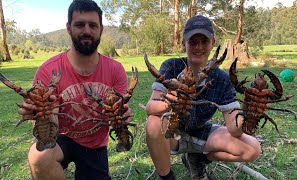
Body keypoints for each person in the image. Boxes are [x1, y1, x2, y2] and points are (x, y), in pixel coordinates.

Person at [18, 0, 132, 179]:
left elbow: (119, 114)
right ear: (69, 28)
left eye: (93, 25)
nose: (87, 31)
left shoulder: (116, 70)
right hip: (61, 139)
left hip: (95, 144)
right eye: (80, 24)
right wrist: (43, 115)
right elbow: (47, 120)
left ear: (101, 29)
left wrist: (122, 115)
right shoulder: (48, 70)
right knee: (39, 156)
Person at [145, 15, 261, 180]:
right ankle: (166, 176)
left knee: (252, 148)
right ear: (184, 43)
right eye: (193, 42)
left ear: (213, 43)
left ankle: (199, 159)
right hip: (172, 133)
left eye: (204, 41)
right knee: (153, 122)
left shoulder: (221, 79)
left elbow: (234, 129)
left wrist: (251, 111)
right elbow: (151, 107)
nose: (198, 47)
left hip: (201, 132)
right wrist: (169, 103)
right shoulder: (171, 66)